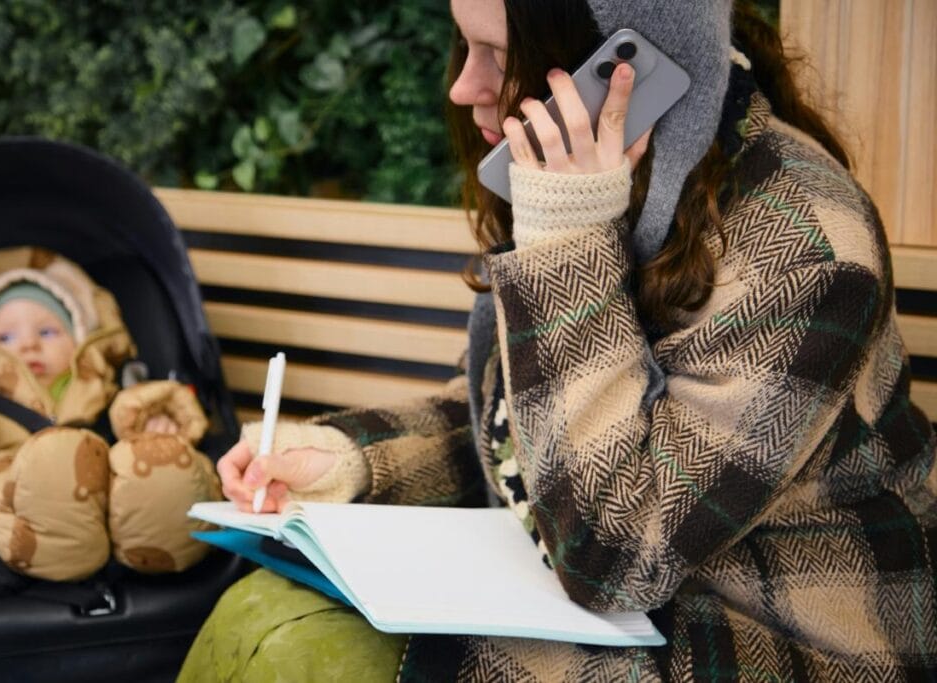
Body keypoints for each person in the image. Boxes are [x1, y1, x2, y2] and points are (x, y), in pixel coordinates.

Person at [182, 0, 937, 680]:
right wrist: (350, 462)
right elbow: (524, 425)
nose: (463, 86)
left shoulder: (806, 248)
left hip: (786, 638)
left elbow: (615, 554)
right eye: (463, 46)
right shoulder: (610, 189)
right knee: (265, 613)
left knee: (307, 655)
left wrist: (566, 236)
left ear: (624, 71)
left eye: (501, 58)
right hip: (625, 602)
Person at [0, 246, 221, 582]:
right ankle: (61, 543)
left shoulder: (104, 386)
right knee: (32, 470)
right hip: (2, 473)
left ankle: (160, 538)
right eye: (5, 336)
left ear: (79, 340)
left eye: (47, 332)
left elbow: (146, 414)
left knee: (155, 465)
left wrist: (158, 427)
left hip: (104, 494)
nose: (29, 344)